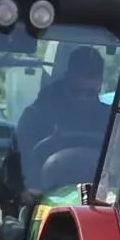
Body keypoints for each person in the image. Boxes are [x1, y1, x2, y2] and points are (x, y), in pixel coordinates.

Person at [14, 44, 108, 183]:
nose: (82, 98)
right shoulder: (35, 117)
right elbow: (17, 167)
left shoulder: (112, 121)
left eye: (90, 93)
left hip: (101, 199)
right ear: (67, 78)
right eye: (76, 91)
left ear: (100, 84)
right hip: (41, 197)